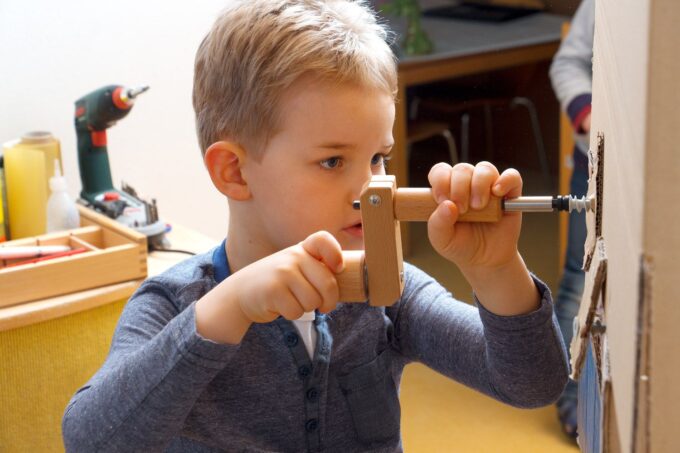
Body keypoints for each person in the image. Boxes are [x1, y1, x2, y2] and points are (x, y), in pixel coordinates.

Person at [62, 1, 569, 451]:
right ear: (234, 171)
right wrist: (228, 309)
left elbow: (534, 385)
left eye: (378, 157)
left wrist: (496, 268)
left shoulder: (390, 289)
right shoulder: (172, 305)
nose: (370, 188)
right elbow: (90, 440)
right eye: (332, 162)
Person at [548, 0, 595, 440]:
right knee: (578, 283)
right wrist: (590, 117)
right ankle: (571, 399)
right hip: (596, 165)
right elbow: (568, 63)